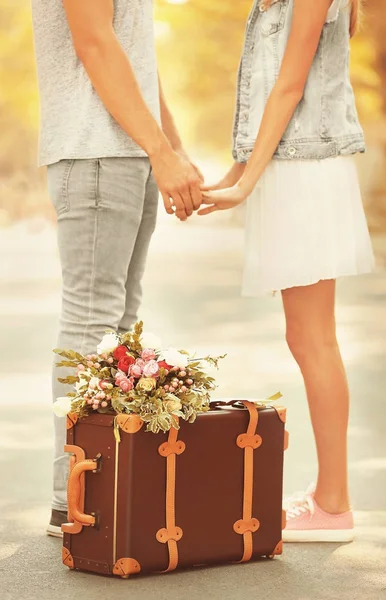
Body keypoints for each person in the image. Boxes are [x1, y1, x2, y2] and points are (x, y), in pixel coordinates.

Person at [199, 0, 374, 542]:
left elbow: (289, 87)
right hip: (289, 170)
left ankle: (333, 504)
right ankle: (329, 496)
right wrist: (234, 176)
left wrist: (246, 184)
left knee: (314, 339)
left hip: (306, 175)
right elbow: (266, 104)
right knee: (305, 336)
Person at [31, 0, 202, 538]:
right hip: (96, 154)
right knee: (91, 323)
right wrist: (161, 149)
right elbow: (95, 43)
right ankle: (73, 500)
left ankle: (102, 484)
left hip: (127, 155)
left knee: (117, 329)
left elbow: (136, 61)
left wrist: (171, 149)